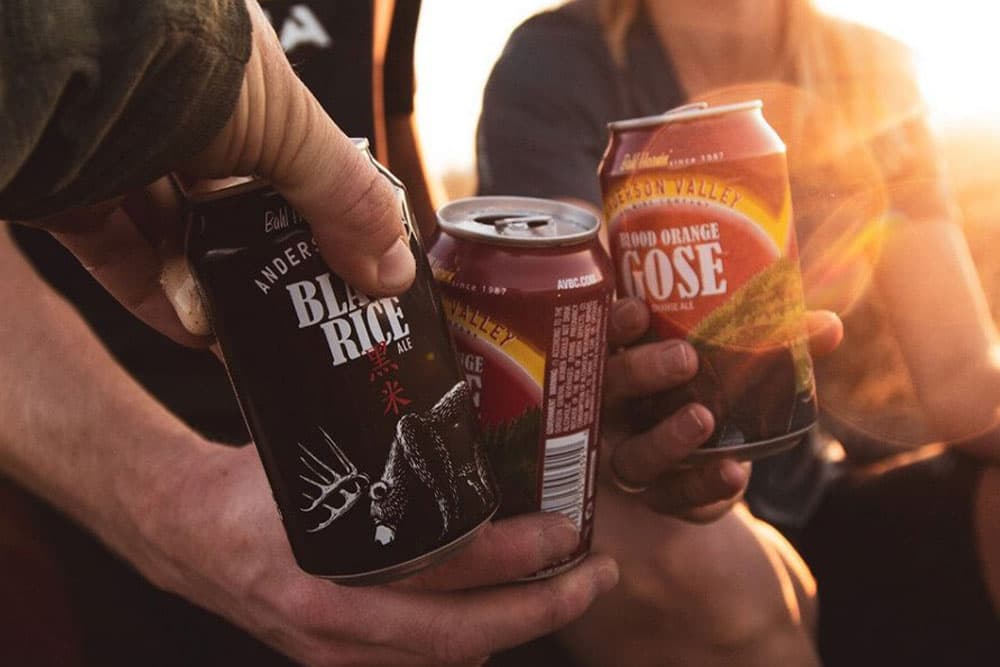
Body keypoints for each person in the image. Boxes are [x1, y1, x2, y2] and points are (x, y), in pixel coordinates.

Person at [0, 2, 624, 665]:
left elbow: (385, 149)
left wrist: (517, 370)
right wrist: (173, 501)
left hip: (397, 464)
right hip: (113, 480)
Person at [477, 1, 1000, 665]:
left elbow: (961, 378)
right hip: (630, 489)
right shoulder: (558, 62)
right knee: (727, 581)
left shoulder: (871, 69)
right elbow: (578, 355)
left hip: (812, 486)